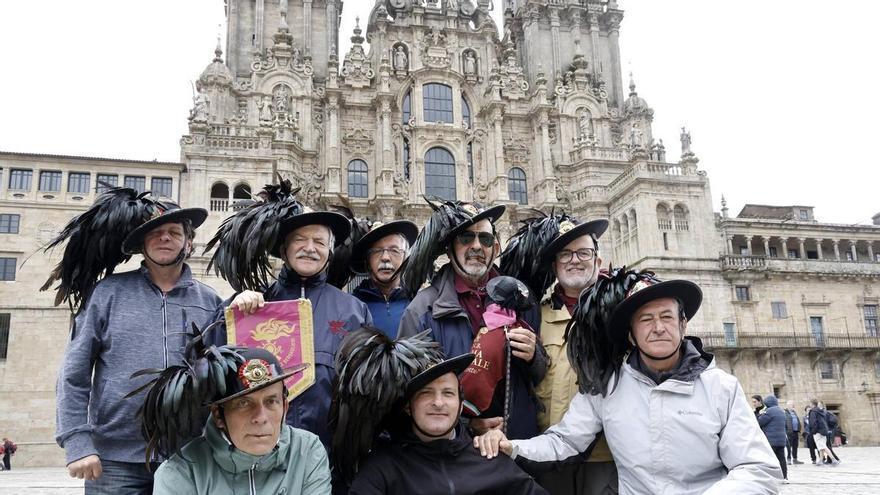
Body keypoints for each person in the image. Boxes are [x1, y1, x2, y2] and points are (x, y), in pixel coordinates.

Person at [474, 273, 782, 494]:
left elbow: (757, 469)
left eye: (666, 317)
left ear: (683, 324)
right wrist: (511, 446)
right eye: (646, 320)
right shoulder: (609, 386)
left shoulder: (721, 388)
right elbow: (566, 441)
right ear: (631, 334)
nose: (658, 328)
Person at [54, 193, 221, 493]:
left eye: (174, 232)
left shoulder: (210, 302)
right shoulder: (107, 294)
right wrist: (77, 440)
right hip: (115, 459)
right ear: (142, 244)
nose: (164, 238)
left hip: (190, 456)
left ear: (188, 242)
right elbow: (73, 373)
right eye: (155, 232)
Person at [205, 179, 372, 449]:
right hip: (260, 452)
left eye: (319, 241)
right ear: (284, 249)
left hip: (327, 452)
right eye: (300, 240)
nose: (310, 248)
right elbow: (209, 365)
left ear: (329, 252)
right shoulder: (254, 303)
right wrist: (230, 315)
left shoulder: (354, 310)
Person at [399, 200, 547, 440]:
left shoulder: (522, 299)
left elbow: (539, 375)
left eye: (485, 239)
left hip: (518, 444)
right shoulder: (422, 311)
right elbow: (412, 391)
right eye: (466, 238)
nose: (477, 246)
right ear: (450, 248)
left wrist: (533, 357)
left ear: (496, 247)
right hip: (455, 449)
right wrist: (466, 422)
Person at [499, 213, 616, 494]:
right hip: (548, 450)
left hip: (606, 454)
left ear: (598, 261)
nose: (574, 260)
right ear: (554, 266)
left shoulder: (619, 310)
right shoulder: (537, 314)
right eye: (565, 255)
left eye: (583, 253)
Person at [341, 345, 548, 495]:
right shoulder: (383, 467)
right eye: (426, 393)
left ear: (460, 406)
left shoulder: (489, 455)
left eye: (448, 393)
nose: (438, 403)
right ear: (408, 406)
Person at [137, 343, 331, 494]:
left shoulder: (306, 451)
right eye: (244, 404)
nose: (261, 418)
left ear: (285, 406)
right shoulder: (181, 472)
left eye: (271, 401)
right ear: (218, 414)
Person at [350, 220, 419, 338]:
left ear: (406, 258)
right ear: (367, 260)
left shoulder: (420, 303)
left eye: (394, 251)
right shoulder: (352, 306)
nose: (385, 257)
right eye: (377, 251)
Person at [758, 395, 789, 483]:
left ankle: (770, 477)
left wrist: (760, 414)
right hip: (781, 440)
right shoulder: (781, 411)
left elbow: (760, 422)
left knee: (769, 459)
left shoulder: (769, 411)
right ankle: (784, 477)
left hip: (771, 440)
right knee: (782, 459)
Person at [807, 398, 834, 465]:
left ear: (812, 404)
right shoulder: (820, 411)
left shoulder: (813, 412)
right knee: (821, 446)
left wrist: (813, 431)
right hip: (824, 431)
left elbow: (813, 423)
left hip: (817, 431)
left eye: (810, 403)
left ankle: (834, 459)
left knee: (823, 446)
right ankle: (821, 461)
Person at [784, 401, 804, 465]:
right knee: (789, 447)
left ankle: (795, 459)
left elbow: (797, 421)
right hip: (789, 432)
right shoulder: (785, 413)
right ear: (788, 406)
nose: (792, 406)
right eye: (791, 405)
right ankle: (789, 459)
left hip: (795, 432)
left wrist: (799, 428)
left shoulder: (794, 412)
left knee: (795, 446)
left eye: (793, 405)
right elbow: (784, 423)